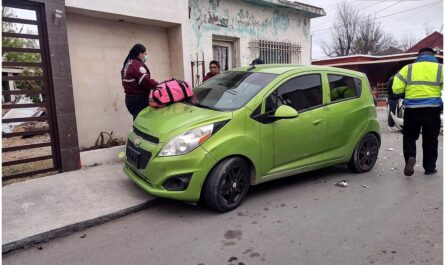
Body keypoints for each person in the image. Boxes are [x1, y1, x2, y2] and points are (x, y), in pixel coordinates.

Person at [392, 47, 443, 176]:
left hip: (412, 109)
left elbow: (396, 89)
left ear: (419, 56)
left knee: (409, 136)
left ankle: (410, 157)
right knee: (430, 139)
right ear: (433, 55)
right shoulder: (440, 68)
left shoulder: (408, 68)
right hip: (433, 109)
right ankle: (430, 168)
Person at [121, 44, 158, 120]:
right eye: (145, 54)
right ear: (140, 54)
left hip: (130, 99)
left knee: (139, 121)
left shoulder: (128, 63)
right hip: (139, 100)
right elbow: (146, 81)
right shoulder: (136, 65)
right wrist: (158, 85)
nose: (145, 56)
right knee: (145, 122)